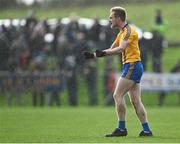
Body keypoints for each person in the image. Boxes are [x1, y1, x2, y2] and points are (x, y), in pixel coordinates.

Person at [83, 6, 153, 137]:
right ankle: (147, 130)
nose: (109, 19)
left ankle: (121, 129)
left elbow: (120, 49)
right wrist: (94, 55)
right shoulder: (122, 32)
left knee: (117, 95)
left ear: (119, 18)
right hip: (134, 66)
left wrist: (102, 53)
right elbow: (111, 49)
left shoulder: (128, 31)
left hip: (132, 66)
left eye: (111, 17)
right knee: (135, 101)